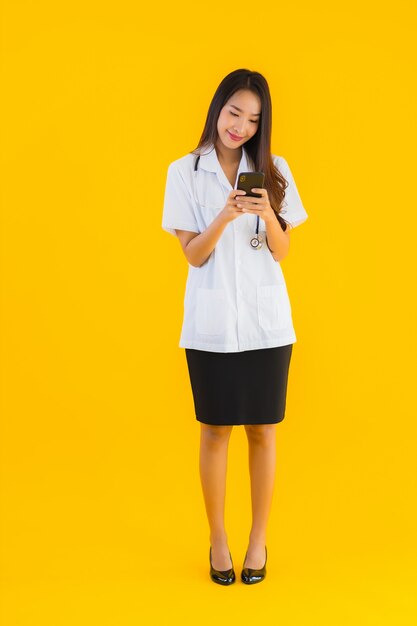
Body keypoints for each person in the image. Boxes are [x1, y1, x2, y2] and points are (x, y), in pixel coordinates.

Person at [161, 69, 308, 585]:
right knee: (216, 430)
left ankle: (258, 540)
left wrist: (268, 215)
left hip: (268, 326)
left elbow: (283, 251)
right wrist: (223, 217)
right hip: (212, 325)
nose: (240, 126)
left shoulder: (273, 169)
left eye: (253, 119)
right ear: (216, 108)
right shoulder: (184, 172)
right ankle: (218, 539)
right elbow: (194, 256)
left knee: (264, 431)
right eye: (233, 113)